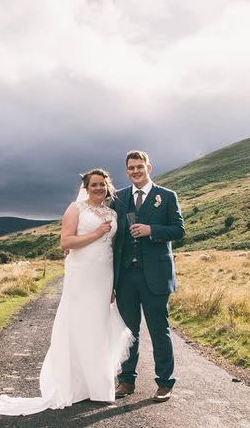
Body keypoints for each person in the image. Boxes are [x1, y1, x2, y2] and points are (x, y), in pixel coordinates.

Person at [0, 169, 133, 416]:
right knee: (77, 325)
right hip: (81, 274)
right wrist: (96, 233)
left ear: (108, 187)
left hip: (103, 276)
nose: (98, 188)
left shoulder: (112, 213)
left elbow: (114, 248)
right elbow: (66, 242)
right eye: (94, 184)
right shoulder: (75, 209)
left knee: (98, 326)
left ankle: (96, 387)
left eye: (102, 185)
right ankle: (71, 386)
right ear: (86, 187)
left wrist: (114, 284)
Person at [111, 150, 185, 402]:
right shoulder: (118, 198)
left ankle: (165, 382)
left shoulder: (166, 196)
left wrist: (151, 230)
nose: (135, 171)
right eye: (131, 168)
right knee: (128, 332)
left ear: (149, 168)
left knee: (159, 330)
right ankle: (126, 381)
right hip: (126, 277)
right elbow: (110, 234)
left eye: (139, 167)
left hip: (155, 276)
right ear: (126, 171)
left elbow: (179, 229)